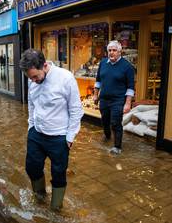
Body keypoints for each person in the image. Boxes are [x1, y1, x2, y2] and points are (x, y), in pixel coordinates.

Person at [19, 49, 84, 211]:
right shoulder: (32, 80)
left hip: (59, 137)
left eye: (35, 76)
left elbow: (76, 110)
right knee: (32, 168)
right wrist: (30, 126)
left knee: (58, 174)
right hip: (36, 134)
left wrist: (69, 138)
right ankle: (40, 198)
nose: (33, 81)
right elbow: (32, 103)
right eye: (30, 78)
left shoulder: (65, 78)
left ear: (45, 65)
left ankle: (56, 208)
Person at [93, 40, 135, 155]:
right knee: (105, 121)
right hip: (104, 99)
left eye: (114, 50)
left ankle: (117, 146)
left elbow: (131, 87)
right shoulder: (103, 63)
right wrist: (95, 95)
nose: (111, 53)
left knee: (115, 123)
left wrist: (127, 103)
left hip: (118, 100)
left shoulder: (127, 67)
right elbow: (98, 80)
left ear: (120, 51)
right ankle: (107, 136)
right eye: (109, 50)